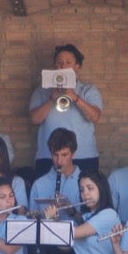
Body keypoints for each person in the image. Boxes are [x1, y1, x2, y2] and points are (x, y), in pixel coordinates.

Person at [29, 44, 103, 176]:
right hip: (48, 156)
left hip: (83, 156)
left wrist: (75, 97)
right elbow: (34, 119)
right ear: (54, 66)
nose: (63, 66)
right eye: (59, 63)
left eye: (68, 62)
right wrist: (52, 98)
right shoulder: (41, 91)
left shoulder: (88, 90)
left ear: (77, 66)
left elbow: (95, 117)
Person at [69, 170, 122, 254]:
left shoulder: (109, 214)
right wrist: (53, 219)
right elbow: (63, 245)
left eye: (90, 188)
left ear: (101, 189)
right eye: (82, 190)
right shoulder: (84, 218)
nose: (85, 194)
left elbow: (75, 233)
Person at [28, 127, 82, 218]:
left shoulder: (88, 183)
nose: (59, 161)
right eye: (55, 155)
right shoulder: (39, 185)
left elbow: (92, 221)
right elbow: (32, 221)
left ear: (73, 154)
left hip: (77, 232)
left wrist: (72, 210)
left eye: (64, 155)